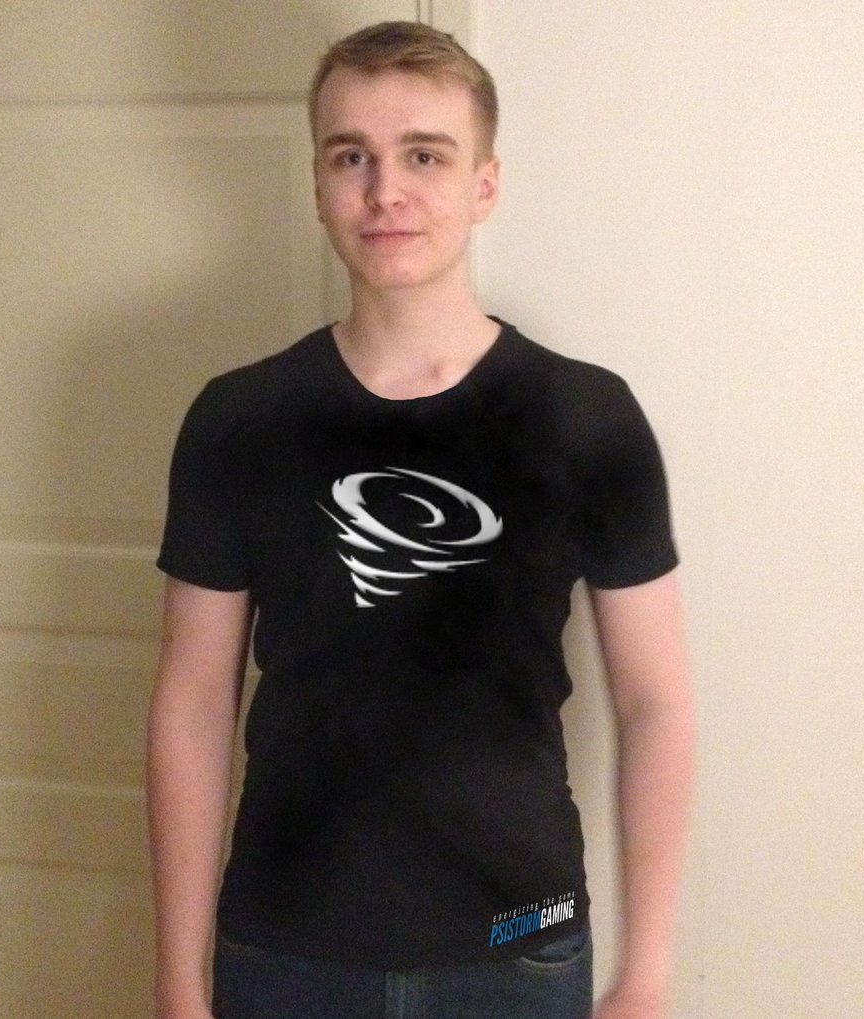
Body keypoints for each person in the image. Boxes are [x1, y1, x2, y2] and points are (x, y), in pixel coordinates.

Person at [147, 20, 694, 1019]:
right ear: (317, 184)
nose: (385, 191)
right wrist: (180, 980)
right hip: (285, 944)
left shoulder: (585, 415)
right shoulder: (239, 419)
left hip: (518, 941)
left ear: (484, 184)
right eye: (350, 156)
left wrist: (648, 970)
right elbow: (191, 703)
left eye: (424, 156)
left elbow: (656, 700)